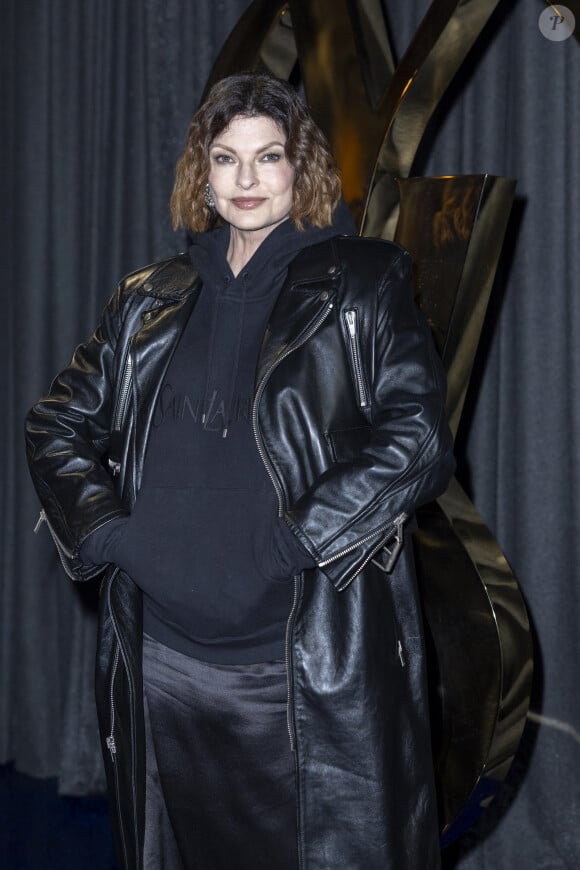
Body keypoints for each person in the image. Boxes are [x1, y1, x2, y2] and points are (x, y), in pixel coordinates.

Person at [25, 73, 455, 870]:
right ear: (204, 171)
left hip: (299, 669)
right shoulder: (146, 299)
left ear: (304, 169)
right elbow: (54, 422)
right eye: (226, 158)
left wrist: (287, 546)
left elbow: (419, 438)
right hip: (162, 663)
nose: (247, 180)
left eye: (269, 157)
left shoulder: (363, 282)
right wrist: (115, 535)